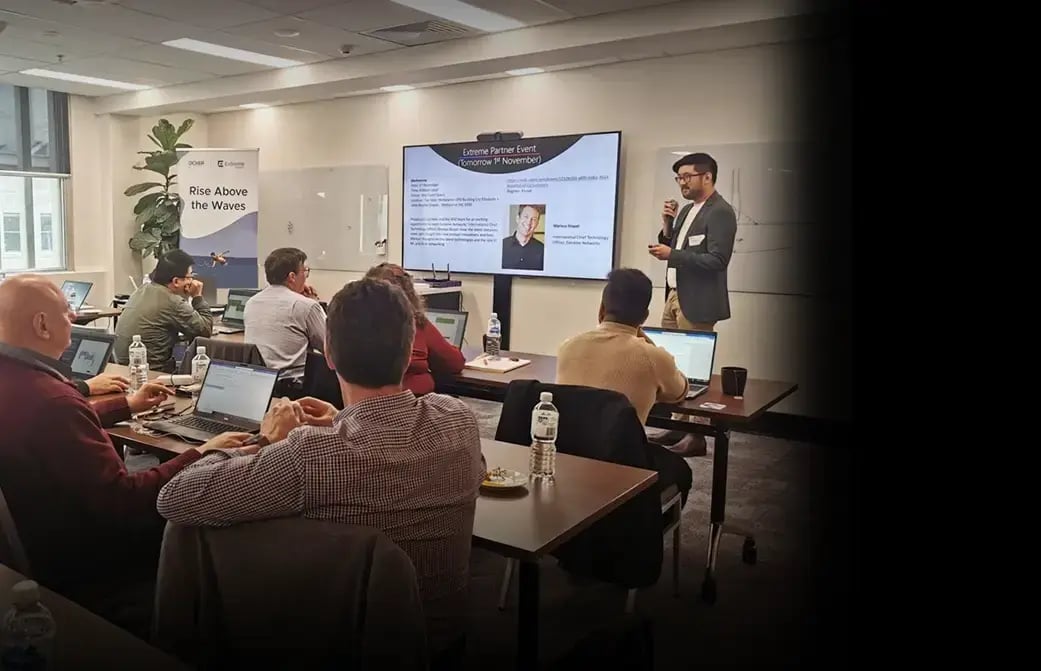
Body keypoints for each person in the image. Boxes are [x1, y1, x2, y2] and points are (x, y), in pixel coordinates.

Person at [156, 277, 486, 659]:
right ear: (411, 347)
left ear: (328, 354)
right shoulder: (459, 422)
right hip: (439, 642)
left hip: (338, 645)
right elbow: (465, 470)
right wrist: (343, 420)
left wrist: (266, 441)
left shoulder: (310, 455)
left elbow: (175, 498)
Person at [0, 274, 244, 635]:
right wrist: (203, 452)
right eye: (67, 314)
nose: (72, 320)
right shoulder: (54, 401)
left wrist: (125, 405)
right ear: (42, 325)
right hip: (87, 560)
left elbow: (50, 425)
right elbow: (127, 503)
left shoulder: (22, 384)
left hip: (35, 541)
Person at [556, 268, 693, 503]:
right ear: (644, 317)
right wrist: (646, 341)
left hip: (568, 458)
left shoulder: (568, 347)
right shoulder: (651, 356)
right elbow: (680, 391)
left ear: (601, 309)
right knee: (681, 470)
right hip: (623, 467)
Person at [648, 152, 737, 331]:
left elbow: (718, 260)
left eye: (687, 177)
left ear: (707, 177)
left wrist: (672, 254)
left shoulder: (720, 211)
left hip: (697, 303)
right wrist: (667, 223)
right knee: (668, 354)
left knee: (691, 357)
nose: (682, 182)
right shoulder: (687, 209)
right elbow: (674, 244)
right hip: (673, 295)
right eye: (679, 178)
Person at [364, 262, 464, 395]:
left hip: (363, 406)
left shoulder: (354, 326)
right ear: (409, 295)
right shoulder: (417, 324)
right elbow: (454, 363)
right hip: (415, 404)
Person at [114, 249, 213, 372]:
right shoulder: (172, 301)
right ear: (176, 281)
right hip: (152, 374)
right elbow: (205, 330)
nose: (192, 282)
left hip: (121, 369)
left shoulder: (143, 289)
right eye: (189, 277)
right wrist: (197, 297)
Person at [244, 247, 325, 370]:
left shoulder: (251, 302)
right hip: (294, 384)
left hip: (260, 381)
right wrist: (313, 301)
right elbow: (331, 348)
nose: (306, 277)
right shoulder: (305, 306)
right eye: (305, 271)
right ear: (292, 276)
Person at [501, 204, 545, 271]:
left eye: (533, 219)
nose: (529, 222)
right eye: (526, 217)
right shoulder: (502, 245)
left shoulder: (542, 250)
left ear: (537, 224)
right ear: (518, 218)